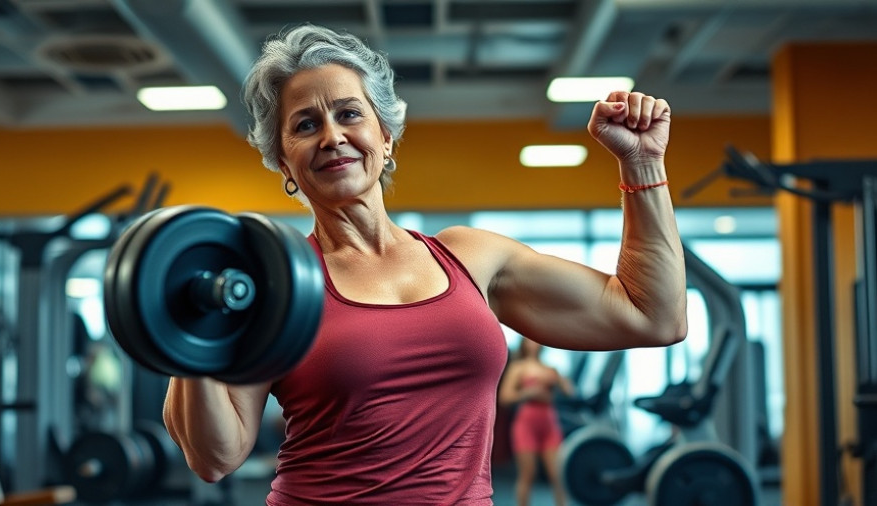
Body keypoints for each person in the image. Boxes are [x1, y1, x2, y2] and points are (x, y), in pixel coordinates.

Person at [162, 23, 688, 505]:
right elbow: (215, 457)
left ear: (385, 136)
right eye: (305, 124)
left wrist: (642, 164)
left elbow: (652, 316)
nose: (332, 136)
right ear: (284, 162)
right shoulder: (277, 286)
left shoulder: (470, 258)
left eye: (349, 114)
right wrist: (187, 329)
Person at [498, 337, 574, 506]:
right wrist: (528, 393)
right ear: (524, 343)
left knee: (557, 475)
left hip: (549, 424)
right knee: (528, 474)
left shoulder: (550, 369)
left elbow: (570, 392)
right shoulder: (518, 368)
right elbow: (505, 398)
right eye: (530, 340)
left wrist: (559, 380)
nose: (535, 343)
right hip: (526, 425)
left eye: (537, 340)